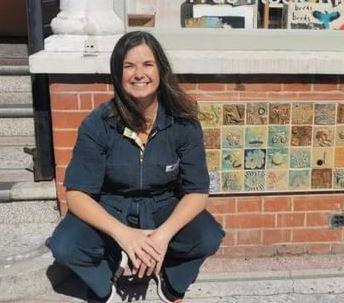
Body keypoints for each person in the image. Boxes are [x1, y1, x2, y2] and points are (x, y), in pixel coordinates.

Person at [46, 31, 224, 303]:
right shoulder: (98, 124)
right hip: (111, 205)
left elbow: (197, 191)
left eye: (147, 64)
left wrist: (161, 238)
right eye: (128, 66)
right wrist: (124, 235)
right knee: (65, 245)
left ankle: (171, 282)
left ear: (160, 69)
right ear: (117, 74)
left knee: (208, 236)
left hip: (162, 205)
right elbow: (76, 194)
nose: (138, 73)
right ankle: (108, 274)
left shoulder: (183, 123)